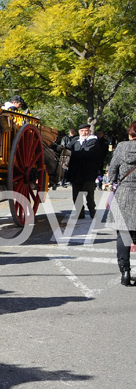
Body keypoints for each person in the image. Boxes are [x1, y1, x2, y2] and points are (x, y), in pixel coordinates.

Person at [106, 121, 136, 286]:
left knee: (123, 235)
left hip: (124, 193)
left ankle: (125, 272)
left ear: (131, 134)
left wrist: (115, 181)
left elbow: (112, 171)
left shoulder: (122, 147)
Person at [65, 123, 105, 219]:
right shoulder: (76, 140)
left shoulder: (93, 141)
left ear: (89, 131)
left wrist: (70, 153)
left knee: (89, 195)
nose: (84, 132)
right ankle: (80, 213)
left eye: (86, 130)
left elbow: (85, 153)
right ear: (79, 132)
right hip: (76, 172)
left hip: (88, 173)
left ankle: (92, 212)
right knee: (76, 195)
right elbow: (67, 147)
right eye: (82, 131)